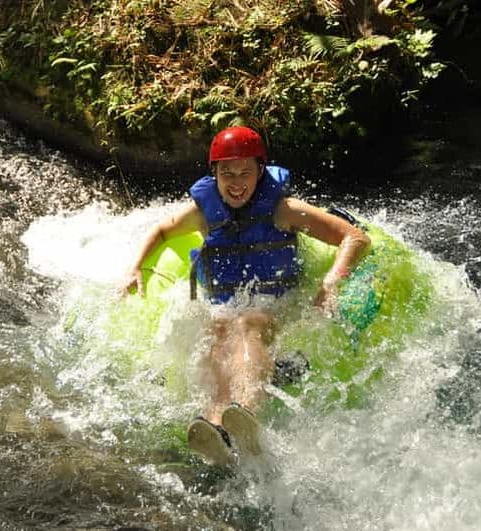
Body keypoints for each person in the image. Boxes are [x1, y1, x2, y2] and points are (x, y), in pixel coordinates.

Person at [118, 126, 370, 465]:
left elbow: (354, 238)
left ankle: (246, 412)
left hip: (276, 302)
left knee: (249, 324)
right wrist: (135, 267)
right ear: (215, 174)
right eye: (227, 173)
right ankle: (216, 424)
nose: (236, 183)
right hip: (225, 304)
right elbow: (162, 231)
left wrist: (330, 284)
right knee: (218, 333)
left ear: (260, 172)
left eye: (245, 173)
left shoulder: (284, 210)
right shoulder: (203, 212)